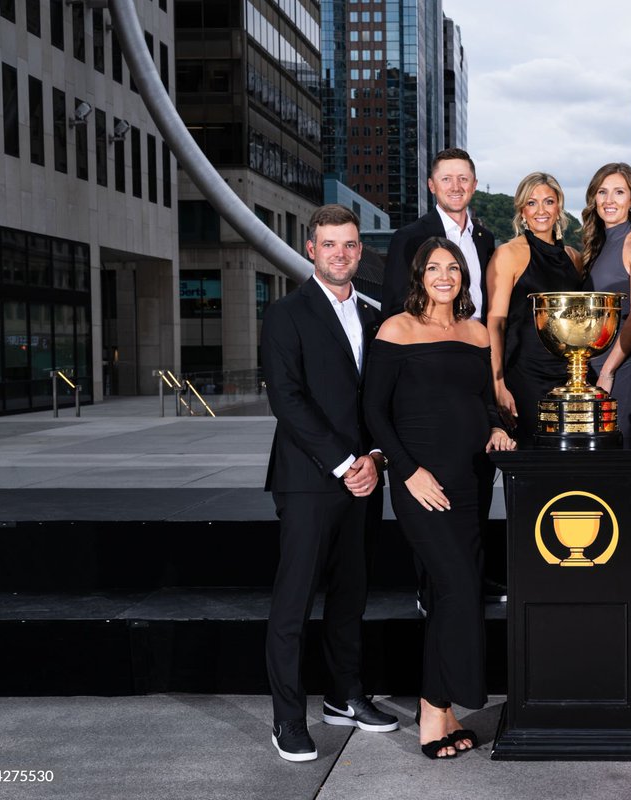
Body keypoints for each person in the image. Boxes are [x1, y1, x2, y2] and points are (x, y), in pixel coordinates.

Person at [365, 237, 515, 759]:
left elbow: (482, 399)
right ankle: (433, 708)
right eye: (435, 268)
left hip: (473, 480)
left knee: (457, 593)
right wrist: (408, 472)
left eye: (453, 268)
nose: (445, 276)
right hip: (422, 483)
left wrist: (497, 428)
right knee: (453, 588)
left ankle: (448, 707)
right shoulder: (395, 329)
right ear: (419, 275)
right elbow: (374, 411)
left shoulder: (476, 333)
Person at [261, 204, 399, 763]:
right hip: (310, 479)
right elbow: (287, 400)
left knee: (351, 597)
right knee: (293, 605)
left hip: (365, 477)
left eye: (349, 245)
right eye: (329, 244)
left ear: (359, 251)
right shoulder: (286, 314)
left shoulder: (373, 318)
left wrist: (375, 459)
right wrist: (346, 462)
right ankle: (288, 720)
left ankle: (346, 697)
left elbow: (381, 401)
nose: (340, 254)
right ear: (311, 248)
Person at [486, 172, 585, 447]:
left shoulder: (573, 258)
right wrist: (498, 385)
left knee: (569, 464)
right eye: (532, 203)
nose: (541, 210)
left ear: (559, 206)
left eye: (548, 201)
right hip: (525, 375)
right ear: (521, 210)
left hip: (570, 377)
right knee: (532, 459)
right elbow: (496, 323)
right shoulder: (508, 254)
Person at [580, 163, 631, 447]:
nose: (609, 200)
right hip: (592, 368)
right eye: (602, 192)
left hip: (621, 370)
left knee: (620, 465)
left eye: (619, 192)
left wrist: (608, 371)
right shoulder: (594, 247)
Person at [382, 148, 496, 319]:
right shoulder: (409, 237)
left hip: (481, 339)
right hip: (433, 340)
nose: (456, 187)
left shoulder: (485, 239)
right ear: (432, 186)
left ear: (474, 186)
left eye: (463, 179)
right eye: (446, 179)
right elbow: (396, 305)